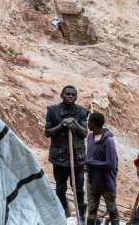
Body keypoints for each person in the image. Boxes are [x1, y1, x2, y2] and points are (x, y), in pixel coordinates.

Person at [46, 85, 89, 218]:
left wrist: (75, 124)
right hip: (59, 159)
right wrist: (62, 125)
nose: (70, 96)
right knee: (60, 188)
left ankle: (81, 216)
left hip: (78, 159)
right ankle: (63, 213)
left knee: (79, 189)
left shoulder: (82, 112)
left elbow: (84, 133)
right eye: (68, 94)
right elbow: (47, 133)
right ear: (62, 95)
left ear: (76, 97)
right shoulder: (52, 111)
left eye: (73, 95)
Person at [84, 112, 119, 225]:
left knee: (112, 211)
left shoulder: (109, 141)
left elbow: (111, 164)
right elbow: (88, 157)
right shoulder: (90, 137)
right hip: (92, 182)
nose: (87, 123)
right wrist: (86, 164)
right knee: (92, 211)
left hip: (106, 183)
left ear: (94, 124)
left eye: (89, 121)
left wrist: (90, 162)